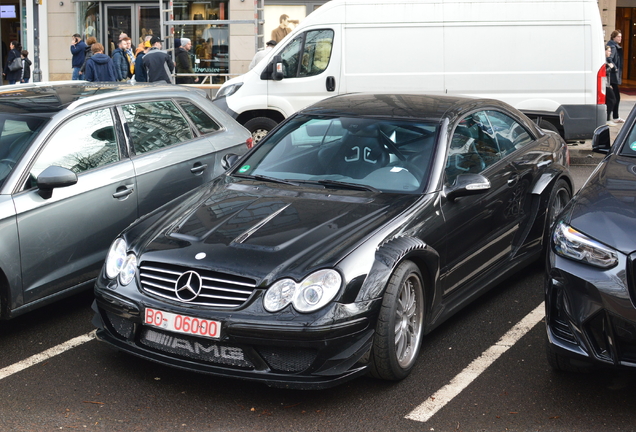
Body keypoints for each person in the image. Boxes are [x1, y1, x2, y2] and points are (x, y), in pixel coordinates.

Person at [607, 30, 625, 123]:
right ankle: (614, 117)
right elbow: (609, 58)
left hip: (613, 76)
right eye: (618, 36)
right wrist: (615, 68)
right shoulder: (613, 47)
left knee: (614, 97)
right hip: (612, 76)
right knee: (614, 97)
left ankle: (615, 116)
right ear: (614, 37)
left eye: (621, 36)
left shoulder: (613, 46)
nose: (620, 38)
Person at [605, 45, 618, 127]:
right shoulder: (604, 60)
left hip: (606, 84)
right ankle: (607, 119)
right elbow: (604, 72)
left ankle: (607, 118)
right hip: (604, 84)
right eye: (609, 51)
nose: (610, 52)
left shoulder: (606, 60)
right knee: (612, 99)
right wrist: (610, 67)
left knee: (610, 100)